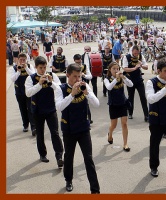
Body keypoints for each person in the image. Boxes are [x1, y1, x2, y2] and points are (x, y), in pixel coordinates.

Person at [54, 63, 100, 194]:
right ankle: (68, 179)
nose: (78, 80)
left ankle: (95, 190)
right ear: (68, 75)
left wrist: (87, 93)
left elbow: (96, 104)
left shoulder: (84, 86)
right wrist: (72, 94)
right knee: (68, 156)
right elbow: (59, 107)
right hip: (68, 129)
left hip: (83, 128)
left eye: (79, 76)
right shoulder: (60, 88)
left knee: (89, 158)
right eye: (75, 77)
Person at [25, 56, 64, 167]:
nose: (43, 70)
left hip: (51, 109)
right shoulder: (31, 78)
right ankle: (43, 154)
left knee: (55, 133)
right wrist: (39, 84)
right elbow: (28, 93)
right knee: (40, 133)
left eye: (44, 67)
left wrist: (51, 83)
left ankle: (59, 156)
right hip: (37, 110)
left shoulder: (52, 76)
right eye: (40, 68)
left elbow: (60, 89)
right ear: (36, 67)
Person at [104, 62, 133, 151]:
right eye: (114, 69)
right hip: (113, 104)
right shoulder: (107, 79)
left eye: (117, 69)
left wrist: (124, 77)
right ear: (110, 70)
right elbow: (109, 87)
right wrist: (116, 79)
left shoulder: (121, 77)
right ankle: (110, 134)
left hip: (122, 102)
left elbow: (131, 85)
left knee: (124, 123)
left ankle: (125, 144)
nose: (116, 71)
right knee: (114, 125)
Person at [10, 53, 36, 136]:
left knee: (30, 109)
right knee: (23, 109)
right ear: (18, 59)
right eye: (20, 60)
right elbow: (12, 79)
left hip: (28, 92)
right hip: (19, 92)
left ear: (26, 60)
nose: (22, 61)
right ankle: (25, 125)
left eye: (24, 60)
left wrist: (26, 68)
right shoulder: (14, 68)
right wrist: (18, 71)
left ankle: (33, 127)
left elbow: (33, 75)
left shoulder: (29, 66)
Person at [122, 45, 149, 121]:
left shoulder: (140, 56)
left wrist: (142, 65)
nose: (136, 55)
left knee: (143, 97)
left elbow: (146, 67)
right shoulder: (126, 57)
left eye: (137, 53)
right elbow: (125, 69)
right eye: (134, 53)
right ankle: (130, 113)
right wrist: (135, 68)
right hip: (130, 79)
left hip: (139, 79)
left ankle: (146, 115)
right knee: (131, 97)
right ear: (132, 51)